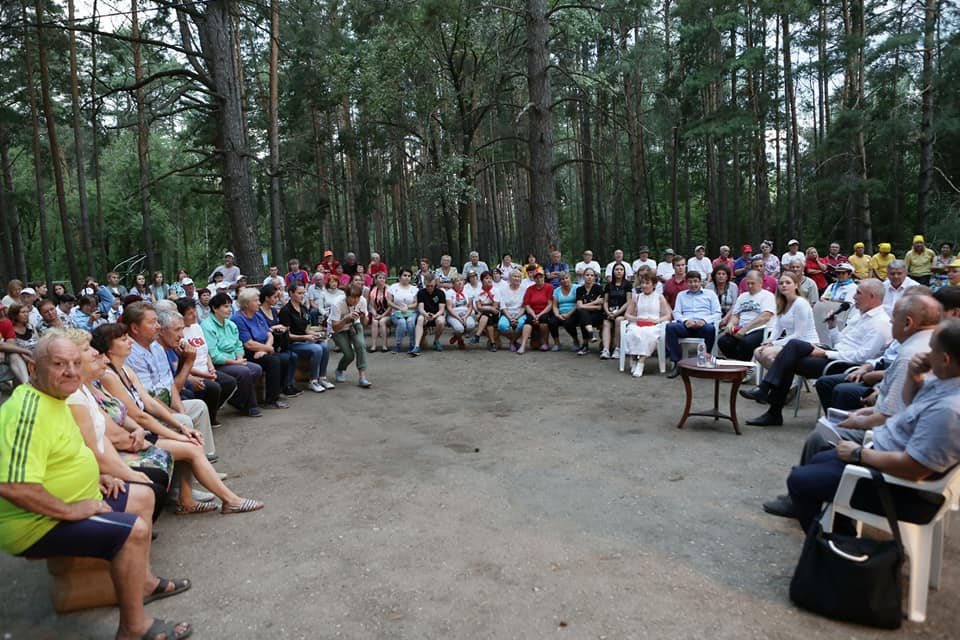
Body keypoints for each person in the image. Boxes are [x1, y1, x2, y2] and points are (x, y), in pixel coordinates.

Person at [0, 333, 195, 640]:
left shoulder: (56, 397)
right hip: (35, 523)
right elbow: (13, 487)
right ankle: (133, 627)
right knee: (134, 531)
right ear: (33, 367)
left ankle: (142, 581)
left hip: (72, 498)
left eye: (76, 363)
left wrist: (98, 475)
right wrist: (70, 509)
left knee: (143, 496)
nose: (71, 372)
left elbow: (71, 451)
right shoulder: (27, 412)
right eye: (59, 364)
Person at [781, 318, 960, 533]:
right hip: (885, 458)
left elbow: (915, 469)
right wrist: (915, 378)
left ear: (945, 359)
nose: (926, 354)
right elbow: (909, 407)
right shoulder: (944, 381)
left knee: (800, 481)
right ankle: (836, 530)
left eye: (931, 350)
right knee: (819, 457)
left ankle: (835, 548)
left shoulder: (948, 409)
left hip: (903, 490)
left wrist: (858, 454)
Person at [92, 324, 263, 517]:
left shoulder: (126, 369)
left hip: (140, 429)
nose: (130, 341)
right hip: (132, 437)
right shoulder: (108, 376)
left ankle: (190, 499)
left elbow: (149, 402)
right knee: (189, 444)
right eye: (123, 339)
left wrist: (180, 426)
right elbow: (138, 416)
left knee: (188, 434)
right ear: (108, 348)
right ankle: (227, 501)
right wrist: (178, 433)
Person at [740, 279, 891, 426]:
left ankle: (770, 402)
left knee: (790, 356)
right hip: (835, 354)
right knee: (793, 348)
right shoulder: (859, 315)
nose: (853, 297)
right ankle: (769, 402)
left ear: (872, 297)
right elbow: (840, 344)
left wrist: (826, 354)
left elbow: (863, 356)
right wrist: (832, 327)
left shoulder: (880, 322)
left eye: (858, 293)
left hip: (846, 365)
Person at [814, 293, 940, 417]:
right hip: (864, 366)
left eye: (894, 316)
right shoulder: (858, 318)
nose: (891, 320)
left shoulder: (908, 351)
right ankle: (833, 423)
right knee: (824, 381)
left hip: (854, 364)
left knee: (842, 391)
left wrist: (826, 353)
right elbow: (883, 357)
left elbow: (891, 412)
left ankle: (836, 427)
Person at [122, 304, 218, 463]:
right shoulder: (131, 354)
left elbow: (170, 385)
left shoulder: (156, 347)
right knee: (184, 420)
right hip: (148, 413)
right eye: (152, 322)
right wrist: (175, 415)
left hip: (163, 405)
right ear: (135, 328)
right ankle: (194, 467)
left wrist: (180, 409)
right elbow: (149, 399)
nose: (158, 327)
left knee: (198, 406)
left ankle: (205, 458)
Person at [174, 298, 237, 426]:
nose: (194, 315)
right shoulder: (179, 333)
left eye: (194, 311)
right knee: (214, 387)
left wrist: (211, 368)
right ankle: (209, 418)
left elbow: (206, 350)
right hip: (193, 372)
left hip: (206, 368)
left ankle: (210, 411)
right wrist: (205, 375)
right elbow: (182, 364)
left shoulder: (197, 327)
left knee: (230, 382)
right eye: (190, 313)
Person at [200, 293, 263, 417]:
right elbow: (213, 354)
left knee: (256, 369)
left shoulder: (230, 324)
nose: (229, 309)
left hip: (235, 361)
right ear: (214, 308)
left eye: (230, 306)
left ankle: (237, 400)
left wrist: (239, 357)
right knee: (243, 371)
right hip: (218, 364)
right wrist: (235, 362)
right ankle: (250, 406)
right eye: (225, 306)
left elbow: (238, 344)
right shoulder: (207, 326)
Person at [231, 288, 294, 408]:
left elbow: (269, 334)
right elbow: (248, 344)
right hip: (247, 353)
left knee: (285, 358)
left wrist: (266, 349)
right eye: (255, 301)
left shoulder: (257, 315)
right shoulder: (238, 319)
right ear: (246, 303)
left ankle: (278, 391)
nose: (259, 303)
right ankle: (270, 400)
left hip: (261, 350)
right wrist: (267, 349)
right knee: (273, 361)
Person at [752, 272, 818, 370]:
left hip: (806, 343)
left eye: (788, 283)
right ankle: (779, 382)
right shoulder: (782, 303)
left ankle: (779, 382)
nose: (784, 285)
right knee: (758, 352)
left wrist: (774, 344)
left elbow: (799, 335)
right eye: (781, 283)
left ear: (796, 285)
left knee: (767, 354)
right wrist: (770, 340)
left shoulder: (800, 303)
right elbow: (778, 327)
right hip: (791, 343)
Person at [664, 271, 721, 378]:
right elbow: (676, 312)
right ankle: (677, 364)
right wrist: (685, 321)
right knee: (671, 327)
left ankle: (705, 360)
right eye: (690, 282)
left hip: (703, 325)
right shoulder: (681, 295)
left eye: (696, 281)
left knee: (710, 329)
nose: (693, 284)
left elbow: (717, 313)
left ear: (701, 282)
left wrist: (704, 320)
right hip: (687, 326)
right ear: (686, 283)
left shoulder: (710, 294)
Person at [280, 283, 335, 393]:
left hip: (305, 340)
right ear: (291, 293)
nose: (302, 296)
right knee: (317, 349)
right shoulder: (285, 311)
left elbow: (306, 328)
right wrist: (306, 337)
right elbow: (287, 335)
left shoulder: (303, 308)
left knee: (324, 345)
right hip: (292, 343)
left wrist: (317, 335)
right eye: (299, 293)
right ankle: (313, 380)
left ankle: (322, 377)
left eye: (304, 293)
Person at [717, 271, 776, 362]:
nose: (749, 286)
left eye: (752, 283)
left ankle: (745, 367)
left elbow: (765, 317)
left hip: (760, 328)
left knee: (747, 342)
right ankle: (738, 364)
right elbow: (736, 315)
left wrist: (746, 329)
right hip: (741, 328)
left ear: (760, 282)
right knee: (723, 341)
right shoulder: (742, 296)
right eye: (748, 283)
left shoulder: (767, 296)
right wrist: (731, 324)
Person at [622, 272, 672, 377]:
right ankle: (634, 359)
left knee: (647, 334)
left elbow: (667, 315)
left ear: (653, 285)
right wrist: (637, 318)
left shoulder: (659, 297)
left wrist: (657, 321)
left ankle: (641, 362)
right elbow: (627, 315)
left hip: (654, 325)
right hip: (638, 323)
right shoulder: (637, 297)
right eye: (642, 283)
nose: (644, 286)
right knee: (633, 333)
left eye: (647, 283)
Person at [329, 283, 371, 387]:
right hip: (338, 328)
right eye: (352, 297)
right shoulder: (337, 303)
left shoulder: (362, 301)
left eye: (357, 297)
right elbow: (335, 327)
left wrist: (363, 317)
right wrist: (345, 319)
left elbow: (364, 324)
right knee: (349, 355)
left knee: (361, 345)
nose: (355, 300)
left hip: (354, 324)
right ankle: (340, 370)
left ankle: (362, 377)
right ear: (346, 295)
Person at [517, 269, 554, 354]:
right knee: (528, 322)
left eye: (541, 277)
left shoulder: (549, 287)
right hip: (532, 312)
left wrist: (539, 315)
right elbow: (527, 304)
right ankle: (523, 346)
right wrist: (534, 315)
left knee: (544, 320)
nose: (539, 279)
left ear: (544, 277)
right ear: (533, 279)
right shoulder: (530, 289)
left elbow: (549, 304)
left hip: (544, 311)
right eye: (536, 277)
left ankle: (545, 343)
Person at [601, 263, 631, 359]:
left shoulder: (627, 284)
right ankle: (605, 350)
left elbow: (628, 301)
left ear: (624, 272)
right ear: (613, 271)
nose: (619, 271)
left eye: (621, 269)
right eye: (617, 269)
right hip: (610, 311)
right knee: (606, 323)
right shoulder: (608, 286)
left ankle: (617, 348)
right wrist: (607, 312)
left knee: (619, 321)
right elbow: (605, 301)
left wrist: (617, 313)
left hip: (622, 312)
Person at [411, 275, 447, 355]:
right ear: (424, 284)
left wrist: (434, 316)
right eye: (427, 286)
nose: (430, 288)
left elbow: (441, 309)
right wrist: (426, 314)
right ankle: (416, 346)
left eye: (432, 286)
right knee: (420, 319)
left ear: (435, 284)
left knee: (441, 321)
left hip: (437, 314)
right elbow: (420, 308)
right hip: (425, 314)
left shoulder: (440, 293)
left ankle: (436, 341)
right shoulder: (421, 292)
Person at [388, 268, 419, 354]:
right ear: (400, 276)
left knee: (410, 321)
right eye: (405, 275)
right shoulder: (393, 287)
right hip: (396, 312)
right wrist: (399, 308)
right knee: (402, 322)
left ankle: (412, 345)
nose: (407, 277)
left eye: (409, 276)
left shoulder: (414, 288)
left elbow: (416, 303)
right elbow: (389, 302)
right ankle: (398, 345)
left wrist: (407, 307)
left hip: (411, 312)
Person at [574, 268, 604, 355]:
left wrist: (584, 306)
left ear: (594, 277)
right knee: (583, 314)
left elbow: (599, 307)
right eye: (587, 275)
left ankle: (585, 345)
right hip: (586, 315)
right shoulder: (579, 289)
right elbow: (579, 306)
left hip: (597, 315)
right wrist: (594, 302)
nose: (589, 277)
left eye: (592, 275)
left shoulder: (598, 288)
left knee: (583, 314)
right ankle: (590, 335)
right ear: (583, 276)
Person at [549, 271, 580, 351]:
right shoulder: (557, 290)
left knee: (568, 322)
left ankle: (576, 341)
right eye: (562, 279)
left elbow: (578, 304)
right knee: (552, 321)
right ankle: (557, 343)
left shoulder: (577, 288)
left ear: (570, 278)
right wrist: (557, 315)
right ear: (559, 281)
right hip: (561, 313)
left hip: (574, 312)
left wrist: (569, 314)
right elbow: (555, 306)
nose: (565, 280)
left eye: (566, 278)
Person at [498, 270, 528, 351]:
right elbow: (503, 306)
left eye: (518, 277)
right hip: (507, 313)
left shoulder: (525, 290)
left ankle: (512, 342)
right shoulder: (503, 289)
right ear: (510, 278)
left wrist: (516, 317)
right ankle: (514, 341)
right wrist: (510, 318)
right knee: (502, 326)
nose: (516, 278)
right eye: (514, 276)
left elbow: (524, 306)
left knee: (521, 325)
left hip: (520, 314)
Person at [444, 276, 476, 350]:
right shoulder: (449, 293)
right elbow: (449, 308)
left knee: (471, 325)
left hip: (465, 313)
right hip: (453, 314)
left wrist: (465, 317)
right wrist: (458, 318)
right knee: (459, 329)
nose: (459, 282)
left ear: (464, 282)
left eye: (461, 280)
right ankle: (460, 340)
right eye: (457, 281)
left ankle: (456, 336)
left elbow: (470, 306)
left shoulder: (468, 291)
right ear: (453, 283)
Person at [367, 272, 392, 353]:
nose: (382, 280)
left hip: (388, 313)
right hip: (378, 313)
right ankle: (373, 345)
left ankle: (385, 345)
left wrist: (382, 315)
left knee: (381, 321)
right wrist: (375, 314)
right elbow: (371, 306)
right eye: (380, 278)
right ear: (375, 280)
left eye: (383, 278)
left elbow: (390, 306)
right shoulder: (373, 291)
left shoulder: (389, 290)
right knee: (374, 321)